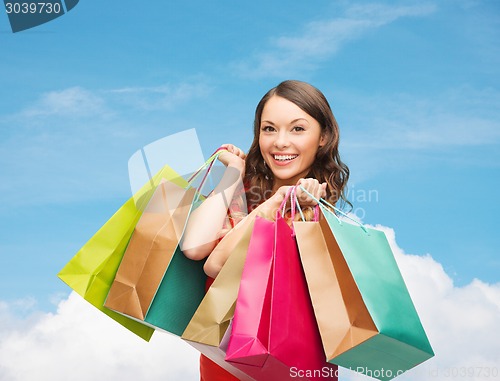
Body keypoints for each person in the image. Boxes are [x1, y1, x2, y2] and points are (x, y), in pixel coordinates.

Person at [181, 80, 350, 381]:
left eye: (298, 129)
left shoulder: (318, 219)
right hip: (223, 367)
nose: (280, 142)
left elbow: (217, 264)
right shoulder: (244, 195)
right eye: (269, 129)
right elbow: (194, 247)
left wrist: (281, 201)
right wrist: (233, 172)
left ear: (323, 137)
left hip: (287, 370)